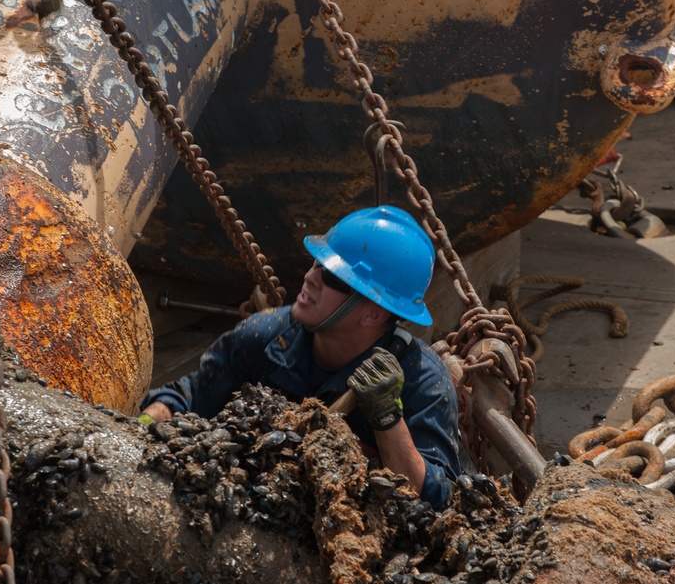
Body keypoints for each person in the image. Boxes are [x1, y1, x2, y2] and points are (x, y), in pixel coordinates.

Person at [137, 205, 461, 509]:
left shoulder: (422, 382)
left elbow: (437, 501)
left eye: (333, 277)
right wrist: (144, 425)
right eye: (318, 263)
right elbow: (190, 397)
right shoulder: (264, 337)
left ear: (373, 313)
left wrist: (388, 418)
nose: (310, 277)